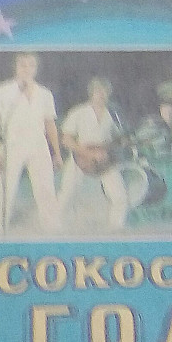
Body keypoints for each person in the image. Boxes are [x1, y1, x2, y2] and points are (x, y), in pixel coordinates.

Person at [0, 52, 64, 233]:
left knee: (46, 188)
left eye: (31, 65)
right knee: (5, 189)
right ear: (16, 67)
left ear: (36, 69)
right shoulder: (1, 91)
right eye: (23, 65)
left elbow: (50, 124)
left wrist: (57, 153)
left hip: (38, 144)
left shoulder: (45, 94)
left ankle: (52, 228)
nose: (27, 69)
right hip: (11, 145)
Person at [57, 77, 132, 229]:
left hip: (105, 160)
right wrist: (88, 154)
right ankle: (54, 226)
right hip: (79, 159)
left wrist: (123, 142)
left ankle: (116, 228)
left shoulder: (114, 115)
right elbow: (66, 139)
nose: (101, 94)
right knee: (66, 195)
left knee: (120, 196)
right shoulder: (79, 112)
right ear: (91, 93)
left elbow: (119, 138)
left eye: (105, 91)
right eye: (98, 91)